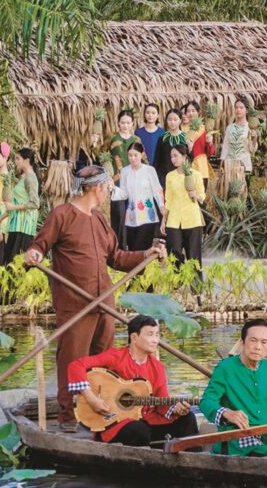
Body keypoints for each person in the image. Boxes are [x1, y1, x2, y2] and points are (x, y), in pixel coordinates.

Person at [25, 165, 165, 431]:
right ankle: (67, 418)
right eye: (107, 189)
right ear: (97, 188)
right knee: (72, 359)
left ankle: (102, 414)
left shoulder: (100, 220)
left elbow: (117, 258)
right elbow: (39, 246)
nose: (108, 193)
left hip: (105, 305)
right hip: (75, 305)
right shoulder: (62, 215)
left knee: (105, 362)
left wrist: (147, 253)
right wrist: (34, 254)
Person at [67, 314, 198, 445]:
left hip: (148, 421)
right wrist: (92, 398)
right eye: (150, 334)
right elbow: (76, 366)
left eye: (157, 335)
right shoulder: (116, 357)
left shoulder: (157, 367)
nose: (155, 340)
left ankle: (193, 461)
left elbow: (161, 402)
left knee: (187, 418)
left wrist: (175, 410)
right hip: (115, 423)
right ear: (134, 337)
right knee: (139, 429)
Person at [200, 319, 267, 456]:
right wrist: (227, 413)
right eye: (253, 340)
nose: (258, 347)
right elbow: (207, 401)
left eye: (263, 342)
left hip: (266, 434)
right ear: (243, 342)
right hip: (237, 440)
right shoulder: (226, 367)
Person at [161, 144, 204, 282]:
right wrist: (164, 219)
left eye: (176, 156)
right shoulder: (170, 176)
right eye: (171, 156)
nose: (173, 159)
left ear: (184, 157)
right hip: (174, 220)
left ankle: (196, 287)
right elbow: (168, 199)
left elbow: (202, 197)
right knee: (174, 252)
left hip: (192, 219)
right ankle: (177, 283)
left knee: (194, 255)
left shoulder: (195, 175)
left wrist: (195, 194)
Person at [120, 143, 165, 252]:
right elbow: (124, 193)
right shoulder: (124, 172)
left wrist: (161, 206)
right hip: (131, 216)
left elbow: (157, 190)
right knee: (132, 249)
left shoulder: (150, 170)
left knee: (142, 248)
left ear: (142, 154)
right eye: (130, 155)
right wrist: (113, 189)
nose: (133, 158)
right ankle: (134, 269)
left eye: (135, 155)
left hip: (147, 216)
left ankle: (144, 268)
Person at [1, 148, 40, 264]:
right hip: (16, 225)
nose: (15, 162)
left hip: (24, 226)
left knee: (16, 264)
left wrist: (13, 207)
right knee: (11, 263)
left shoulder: (30, 178)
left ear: (27, 160)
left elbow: (35, 203)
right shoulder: (24, 177)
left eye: (18, 159)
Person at [109, 109, 140, 249]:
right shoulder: (112, 138)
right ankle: (118, 247)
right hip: (117, 183)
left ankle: (132, 246)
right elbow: (100, 154)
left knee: (133, 214)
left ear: (132, 123)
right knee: (118, 215)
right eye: (122, 122)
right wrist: (94, 143)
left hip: (133, 183)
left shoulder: (136, 140)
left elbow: (143, 160)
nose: (125, 125)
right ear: (118, 123)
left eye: (128, 122)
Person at [182, 100, 216, 189]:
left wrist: (210, 143)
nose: (191, 113)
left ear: (198, 112)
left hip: (201, 165)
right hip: (187, 165)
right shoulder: (182, 129)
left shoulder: (204, 129)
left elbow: (210, 153)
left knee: (201, 195)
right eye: (188, 111)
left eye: (193, 111)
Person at [153, 109, 186, 187]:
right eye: (169, 119)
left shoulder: (186, 138)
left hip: (181, 175)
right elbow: (157, 159)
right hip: (164, 176)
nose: (172, 122)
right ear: (166, 120)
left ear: (180, 120)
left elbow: (190, 158)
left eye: (175, 119)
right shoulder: (162, 138)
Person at [221, 98, 255, 174]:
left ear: (247, 110)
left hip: (244, 166)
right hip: (229, 166)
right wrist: (222, 163)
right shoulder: (229, 128)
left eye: (241, 107)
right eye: (236, 107)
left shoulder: (250, 127)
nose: (238, 110)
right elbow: (225, 147)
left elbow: (252, 150)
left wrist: (254, 138)